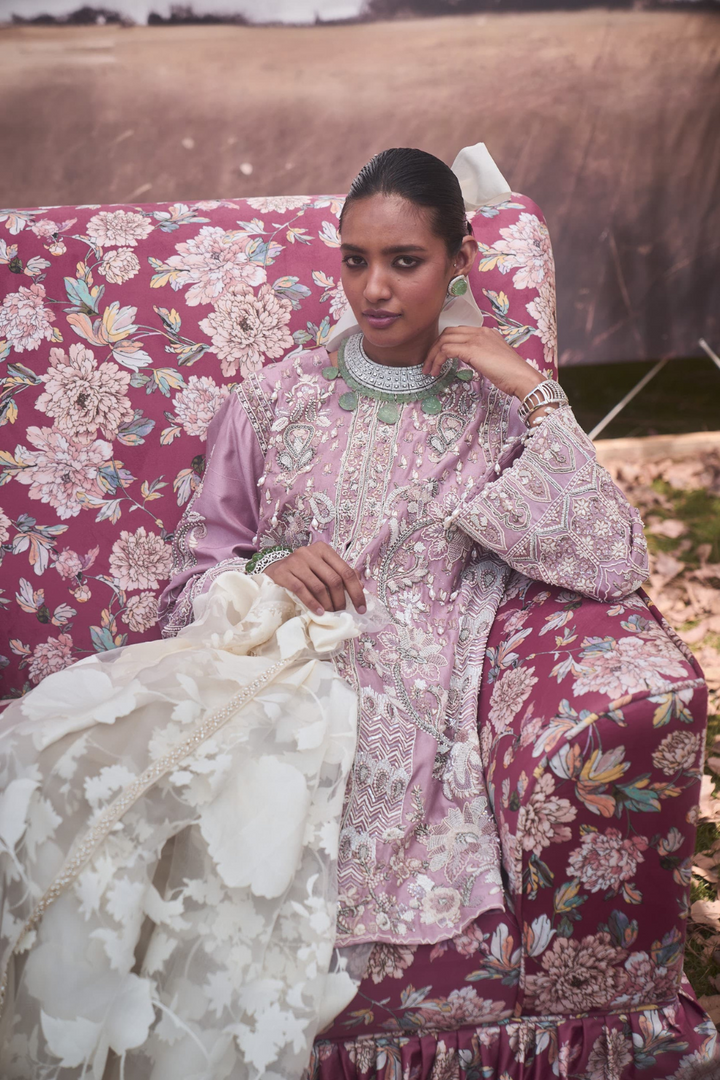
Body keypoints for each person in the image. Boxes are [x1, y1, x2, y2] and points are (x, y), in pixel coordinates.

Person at [0, 146, 649, 1079]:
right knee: (47, 764)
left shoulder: (492, 416)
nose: (374, 288)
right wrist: (272, 566)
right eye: (355, 260)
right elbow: (194, 579)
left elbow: (612, 555)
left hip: (393, 700)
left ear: (460, 260)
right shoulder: (275, 397)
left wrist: (534, 388)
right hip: (253, 659)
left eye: (406, 261)